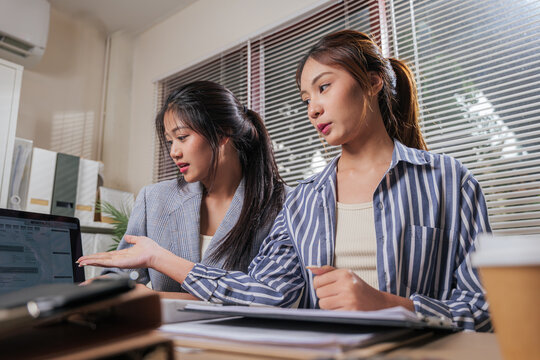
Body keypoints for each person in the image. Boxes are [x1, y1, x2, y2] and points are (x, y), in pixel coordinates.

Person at [79, 30, 491, 331]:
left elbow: (485, 310)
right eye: (306, 99)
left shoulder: (449, 182)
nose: (313, 109)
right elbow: (266, 295)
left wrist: (395, 306)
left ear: (371, 82)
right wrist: (157, 258)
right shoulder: (305, 201)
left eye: (323, 88)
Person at [80, 80, 286, 293]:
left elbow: (269, 293)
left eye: (182, 137)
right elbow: (126, 275)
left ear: (222, 134)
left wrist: (160, 267)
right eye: (170, 141)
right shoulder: (154, 199)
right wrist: (103, 287)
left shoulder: (282, 205)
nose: (173, 152)